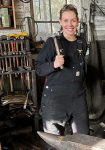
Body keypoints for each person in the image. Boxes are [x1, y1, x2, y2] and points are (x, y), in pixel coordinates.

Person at [35, 4, 89, 136]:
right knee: (55, 143)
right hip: (55, 100)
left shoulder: (82, 42)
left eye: (73, 20)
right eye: (65, 20)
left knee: (83, 139)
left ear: (78, 21)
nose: (69, 24)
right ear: (60, 22)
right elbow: (39, 69)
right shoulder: (52, 43)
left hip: (77, 98)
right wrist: (54, 64)